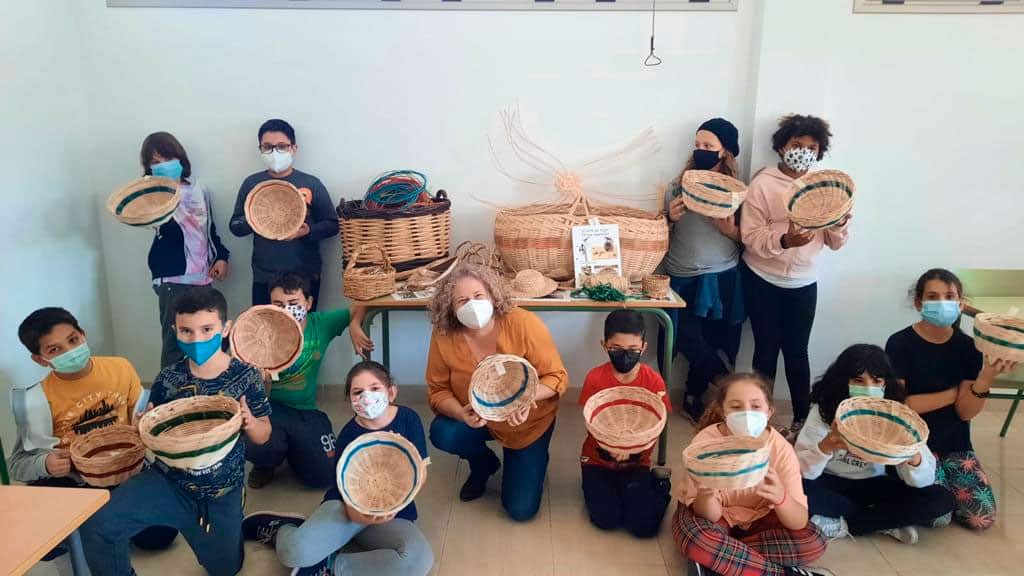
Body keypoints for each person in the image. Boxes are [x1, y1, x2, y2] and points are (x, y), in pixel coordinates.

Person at [81, 287, 272, 576]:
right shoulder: (168, 378)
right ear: (175, 331)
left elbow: (264, 434)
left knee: (226, 569)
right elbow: (153, 433)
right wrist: (142, 426)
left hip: (220, 491)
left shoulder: (246, 376)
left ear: (225, 329)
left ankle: (235, 534)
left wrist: (250, 422)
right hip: (168, 481)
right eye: (186, 331)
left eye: (207, 329)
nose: (197, 339)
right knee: (99, 525)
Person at [11, 308, 178, 566]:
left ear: (83, 334)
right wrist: (46, 464)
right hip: (76, 481)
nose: (70, 351)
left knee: (161, 536)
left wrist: (148, 423)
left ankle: (103, 524)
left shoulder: (120, 368)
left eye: (73, 339)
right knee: (39, 540)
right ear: (40, 359)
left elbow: (142, 416)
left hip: (124, 471)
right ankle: (97, 526)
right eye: (54, 349)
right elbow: (17, 464)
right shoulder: (37, 399)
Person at [242, 361, 434, 576]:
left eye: (374, 388)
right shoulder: (349, 435)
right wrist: (359, 516)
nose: (367, 397)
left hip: (393, 513)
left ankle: (331, 566)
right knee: (294, 552)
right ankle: (281, 529)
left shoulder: (408, 419)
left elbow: (421, 471)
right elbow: (344, 494)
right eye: (357, 392)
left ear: (391, 392)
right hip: (347, 508)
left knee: (418, 559)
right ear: (350, 400)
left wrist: (396, 504)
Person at [425, 262, 569, 521]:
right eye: (462, 301)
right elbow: (438, 390)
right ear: (450, 308)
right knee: (443, 433)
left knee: (520, 510)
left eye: (479, 295)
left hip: (526, 423)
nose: (472, 305)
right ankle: (484, 464)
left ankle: (534, 458)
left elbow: (557, 376)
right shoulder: (444, 334)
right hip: (478, 417)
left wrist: (526, 398)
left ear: (493, 295)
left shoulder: (523, 323)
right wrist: (461, 413)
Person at [740, 114, 851, 437]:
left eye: (812, 147)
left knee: (797, 351)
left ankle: (802, 417)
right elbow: (750, 236)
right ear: (782, 146)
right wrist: (785, 241)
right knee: (765, 350)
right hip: (762, 278)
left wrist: (839, 224)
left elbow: (836, 243)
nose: (803, 152)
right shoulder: (762, 184)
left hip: (803, 283)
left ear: (819, 152)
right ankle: (760, 417)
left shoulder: (824, 188)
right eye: (797, 144)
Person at [885, 268, 1018, 530]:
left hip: (956, 444)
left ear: (960, 303)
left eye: (949, 296)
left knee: (981, 517)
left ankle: (940, 487)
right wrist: (955, 393)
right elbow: (902, 407)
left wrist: (986, 376)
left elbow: (965, 412)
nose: (942, 303)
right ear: (919, 303)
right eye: (933, 296)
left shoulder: (969, 347)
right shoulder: (900, 343)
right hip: (914, 445)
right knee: (937, 517)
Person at [795, 344, 955, 544]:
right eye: (858, 380)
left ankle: (849, 524)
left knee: (940, 499)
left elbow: (923, 480)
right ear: (843, 381)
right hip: (829, 481)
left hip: (873, 483)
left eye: (877, 381)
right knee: (792, 488)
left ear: (886, 384)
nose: (868, 388)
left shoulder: (895, 414)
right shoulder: (823, 411)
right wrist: (826, 446)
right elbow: (800, 470)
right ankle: (880, 520)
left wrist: (912, 457)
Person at [673, 373, 829, 576]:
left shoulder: (781, 449)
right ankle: (778, 572)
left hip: (759, 522)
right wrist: (706, 495)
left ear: (769, 411)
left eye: (755, 406)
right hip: (714, 519)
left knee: (814, 539)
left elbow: (799, 520)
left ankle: (722, 561)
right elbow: (709, 515)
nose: (746, 414)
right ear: (722, 411)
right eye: (736, 407)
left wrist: (781, 498)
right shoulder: (706, 444)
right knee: (696, 537)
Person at [245, 273, 372, 490]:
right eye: (278, 304)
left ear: (309, 302)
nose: (287, 309)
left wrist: (355, 324)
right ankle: (265, 464)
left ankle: (296, 449)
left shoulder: (321, 324)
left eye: (293, 303)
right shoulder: (261, 331)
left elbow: (362, 302)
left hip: (305, 411)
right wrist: (257, 377)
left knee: (324, 476)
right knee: (259, 442)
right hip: (270, 409)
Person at [662, 118, 745, 421]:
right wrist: (669, 218)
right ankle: (726, 382)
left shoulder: (737, 194)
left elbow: (748, 238)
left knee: (713, 339)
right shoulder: (678, 186)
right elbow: (658, 232)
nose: (701, 150)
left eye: (709, 145)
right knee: (688, 339)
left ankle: (693, 396)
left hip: (722, 276)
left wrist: (730, 230)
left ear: (725, 152)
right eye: (697, 144)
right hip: (681, 276)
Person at [579, 310, 672, 538]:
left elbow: (658, 424)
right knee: (606, 520)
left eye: (633, 350)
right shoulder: (595, 378)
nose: (625, 356)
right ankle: (616, 491)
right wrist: (612, 446)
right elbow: (591, 422)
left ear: (644, 347)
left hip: (637, 461)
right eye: (616, 349)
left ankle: (660, 486)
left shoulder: (653, 381)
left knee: (643, 527)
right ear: (604, 345)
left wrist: (632, 449)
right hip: (597, 460)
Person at [140, 131, 230, 368]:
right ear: (149, 168)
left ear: (180, 158)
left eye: (168, 158)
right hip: (172, 280)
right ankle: (171, 391)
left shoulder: (200, 190)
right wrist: (157, 196)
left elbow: (209, 231)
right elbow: (152, 224)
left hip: (203, 278)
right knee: (176, 342)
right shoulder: (152, 196)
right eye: (155, 162)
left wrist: (221, 257)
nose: (163, 165)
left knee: (210, 341)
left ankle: (210, 387)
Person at [229, 118, 338, 308]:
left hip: (304, 275)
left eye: (281, 146)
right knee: (265, 325)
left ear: (293, 148)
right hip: (265, 276)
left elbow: (332, 224)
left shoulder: (311, 183)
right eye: (268, 147)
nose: (274, 152)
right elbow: (235, 226)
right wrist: (255, 220)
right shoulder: (252, 184)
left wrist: (307, 231)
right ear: (260, 149)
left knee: (304, 326)